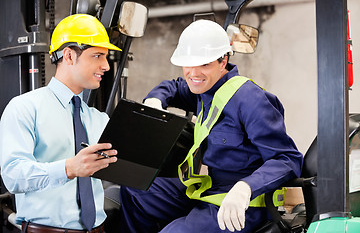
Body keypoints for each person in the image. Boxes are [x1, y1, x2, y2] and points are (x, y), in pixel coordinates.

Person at [119, 19, 303, 232]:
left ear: (223, 61)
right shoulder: (203, 88)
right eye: (188, 64)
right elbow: (173, 87)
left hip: (243, 204)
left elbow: (287, 159)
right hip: (210, 190)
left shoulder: (249, 100)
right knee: (134, 189)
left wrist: (246, 187)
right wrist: (155, 100)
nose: (194, 73)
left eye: (204, 64)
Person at [0, 14, 121, 232]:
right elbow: (13, 175)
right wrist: (68, 168)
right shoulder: (25, 108)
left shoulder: (100, 119)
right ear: (68, 55)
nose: (106, 65)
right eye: (97, 56)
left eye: (105, 57)